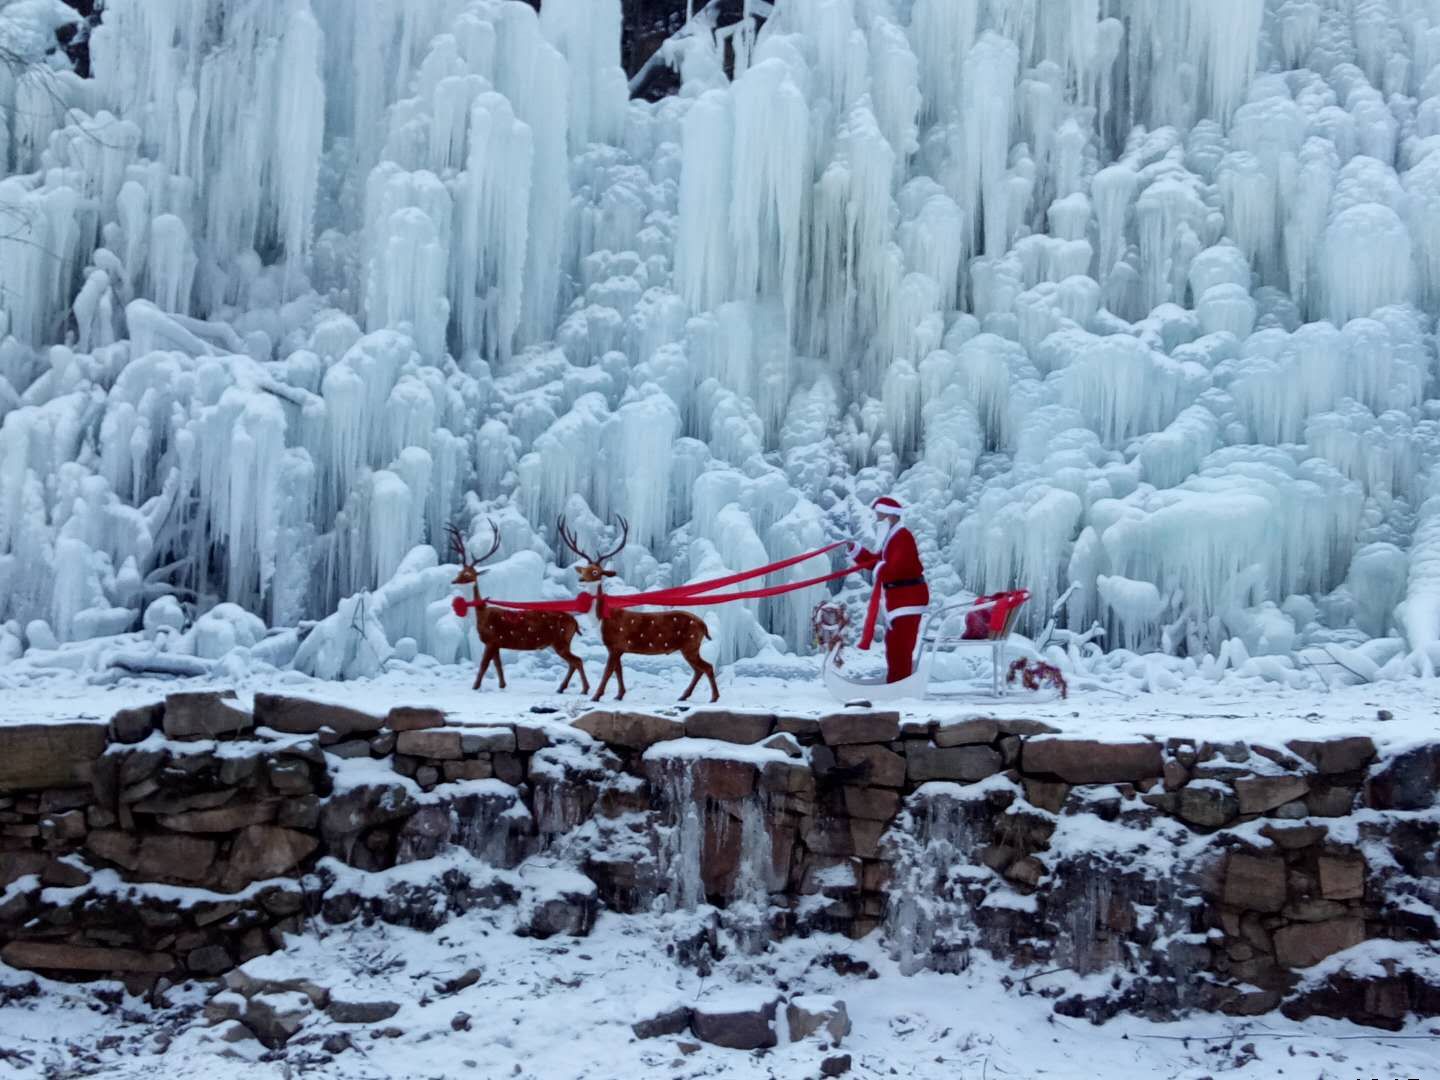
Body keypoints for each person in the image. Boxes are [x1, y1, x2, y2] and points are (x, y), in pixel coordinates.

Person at [847, 495, 929, 682]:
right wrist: (856, 550)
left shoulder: (902, 537)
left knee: (900, 644)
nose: (877, 520)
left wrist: (879, 567)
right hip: (900, 600)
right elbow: (880, 562)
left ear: (890, 516)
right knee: (894, 643)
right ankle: (897, 679)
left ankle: (900, 682)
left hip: (908, 599)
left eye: (879, 516)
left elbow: (894, 567)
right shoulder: (893, 538)